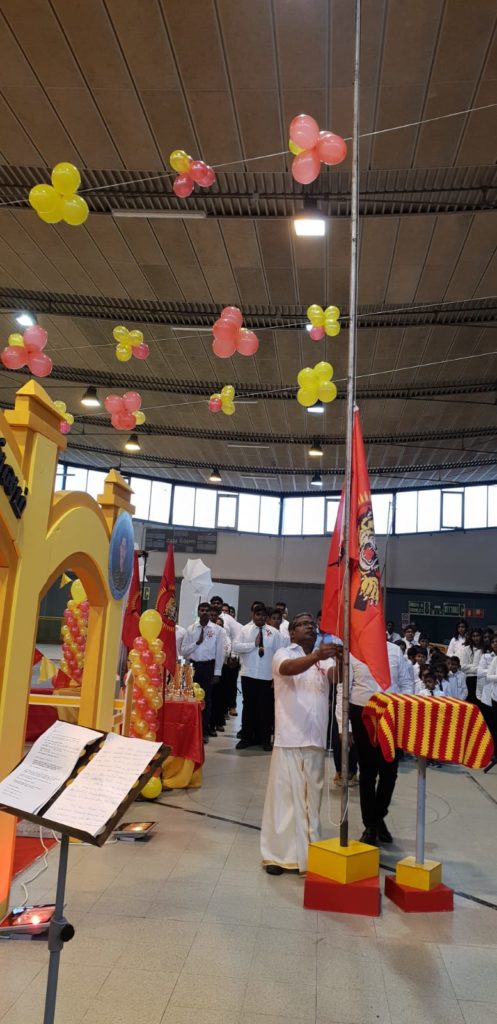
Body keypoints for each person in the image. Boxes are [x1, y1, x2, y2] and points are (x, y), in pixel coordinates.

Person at [260, 613, 337, 874]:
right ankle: (276, 856)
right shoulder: (283, 653)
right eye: (304, 624)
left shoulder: (323, 660)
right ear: (292, 632)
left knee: (311, 801)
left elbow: (335, 677)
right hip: (289, 737)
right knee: (283, 800)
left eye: (312, 625)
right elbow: (288, 669)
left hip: (315, 738)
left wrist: (344, 659)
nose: (310, 627)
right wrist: (317, 656)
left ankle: (309, 855)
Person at [348, 640, 413, 846]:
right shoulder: (354, 652)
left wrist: (405, 715)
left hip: (391, 714)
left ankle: (377, 817)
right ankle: (370, 824)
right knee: (367, 772)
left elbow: (406, 683)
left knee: (389, 771)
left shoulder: (394, 650)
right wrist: (344, 726)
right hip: (362, 713)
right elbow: (344, 688)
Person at [232, 603, 282, 750]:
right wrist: (253, 644)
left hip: (267, 676)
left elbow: (279, 655)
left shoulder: (274, 633)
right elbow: (235, 647)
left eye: (263, 615)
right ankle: (246, 738)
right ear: (252, 615)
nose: (260, 617)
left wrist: (276, 677)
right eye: (257, 614)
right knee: (248, 708)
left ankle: (265, 740)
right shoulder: (245, 630)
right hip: (249, 674)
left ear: (266, 617)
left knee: (265, 709)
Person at [180, 602, 225, 743]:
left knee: (206, 700)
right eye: (202, 610)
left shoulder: (217, 630)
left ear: (210, 612)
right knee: (191, 698)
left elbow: (220, 652)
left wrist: (217, 672)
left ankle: (204, 731)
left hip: (208, 666)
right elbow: (183, 651)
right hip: (193, 666)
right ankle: (191, 729)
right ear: (198, 612)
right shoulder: (191, 629)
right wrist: (197, 643)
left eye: (207, 610)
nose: (204, 612)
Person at [460, 628, 483, 704]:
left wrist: (470, 667)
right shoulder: (466, 649)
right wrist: (477, 667)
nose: (476, 638)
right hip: (469, 680)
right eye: (473, 636)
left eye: (477, 635)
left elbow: (486, 668)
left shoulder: (485, 649)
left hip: (482, 679)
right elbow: (462, 667)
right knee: (471, 704)